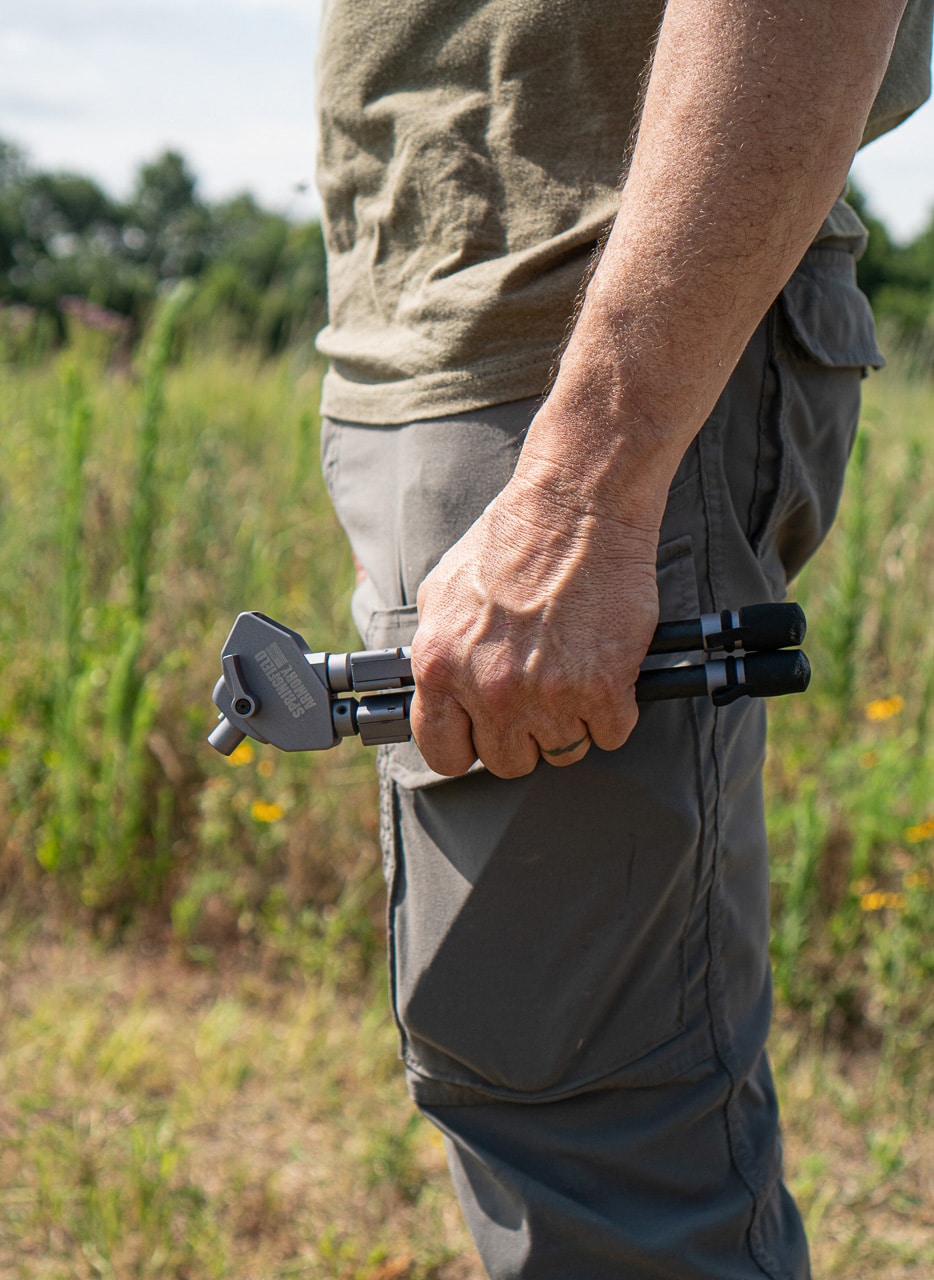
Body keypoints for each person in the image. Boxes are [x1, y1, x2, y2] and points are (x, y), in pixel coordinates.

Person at [314, 3, 933, 1276]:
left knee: (594, 1139)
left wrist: (584, 484)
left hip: (586, 352)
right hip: (455, 345)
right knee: (521, 1074)